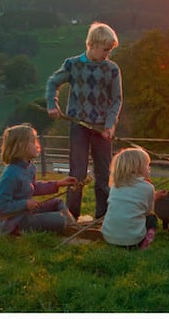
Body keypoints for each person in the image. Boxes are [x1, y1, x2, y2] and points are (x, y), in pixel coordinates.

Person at [46, 21, 123, 220]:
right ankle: (72, 216)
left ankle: (103, 217)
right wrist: (52, 104)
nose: (107, 54)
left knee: (103, 174)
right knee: (77, 173)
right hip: (78, 125)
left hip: (102, 128)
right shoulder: (73, 65)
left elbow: (116, 100)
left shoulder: (112, 69)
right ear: (93, 45)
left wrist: (110, 124)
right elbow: (53, 83)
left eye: (110, 50)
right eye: (105, 50)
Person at [0, 123, 78, 236]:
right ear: (22, 145)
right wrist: (25, 204)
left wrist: (58, 184)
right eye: (33, 141)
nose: (37, 145)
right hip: (14, 222)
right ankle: (68, 226)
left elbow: (33, 187)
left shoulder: (30, 167)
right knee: (60, 219)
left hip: (26, 213)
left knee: (58, 203)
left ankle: (74, 227)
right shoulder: (10, 174)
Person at [101, 148, 168, 249]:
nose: (149, 169)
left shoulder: (116, 185)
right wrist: (154, 196)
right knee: (152, 218)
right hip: (132, 241)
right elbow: (147, 211)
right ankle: (144, 243)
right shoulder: (148, 187)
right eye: (147, 166)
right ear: (137, 168)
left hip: (108, 237)